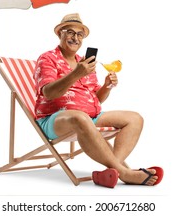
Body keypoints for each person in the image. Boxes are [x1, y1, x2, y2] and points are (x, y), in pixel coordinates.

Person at [34, 13, 163, 188]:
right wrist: (76, 74)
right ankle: (125, 173)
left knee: (135, 118)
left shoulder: (86, 63)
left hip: (91, 116)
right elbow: (48, 93)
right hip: (55, 119)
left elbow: (97, 99)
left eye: (80, 34)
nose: (75, 37)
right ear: (60, 34)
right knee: (80, 117)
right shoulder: (47, 58)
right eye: (70, 32)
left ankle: (112, 171)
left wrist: (107, 86)